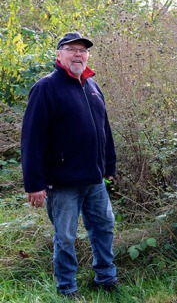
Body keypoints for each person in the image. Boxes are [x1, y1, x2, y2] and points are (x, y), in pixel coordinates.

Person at [21, 32, 119, 297]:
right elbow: (32, 139)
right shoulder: (46, 88)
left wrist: (109, 165)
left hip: (94, 180)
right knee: (65, 237)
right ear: (58, 55)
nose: (78, 54)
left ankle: (106, 278)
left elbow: (104, 130)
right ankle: (67, 288)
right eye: (72, 49)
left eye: (83, 50)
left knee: (104, 227)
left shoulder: (92, 87)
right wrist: (34, 184)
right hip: (63, 182)